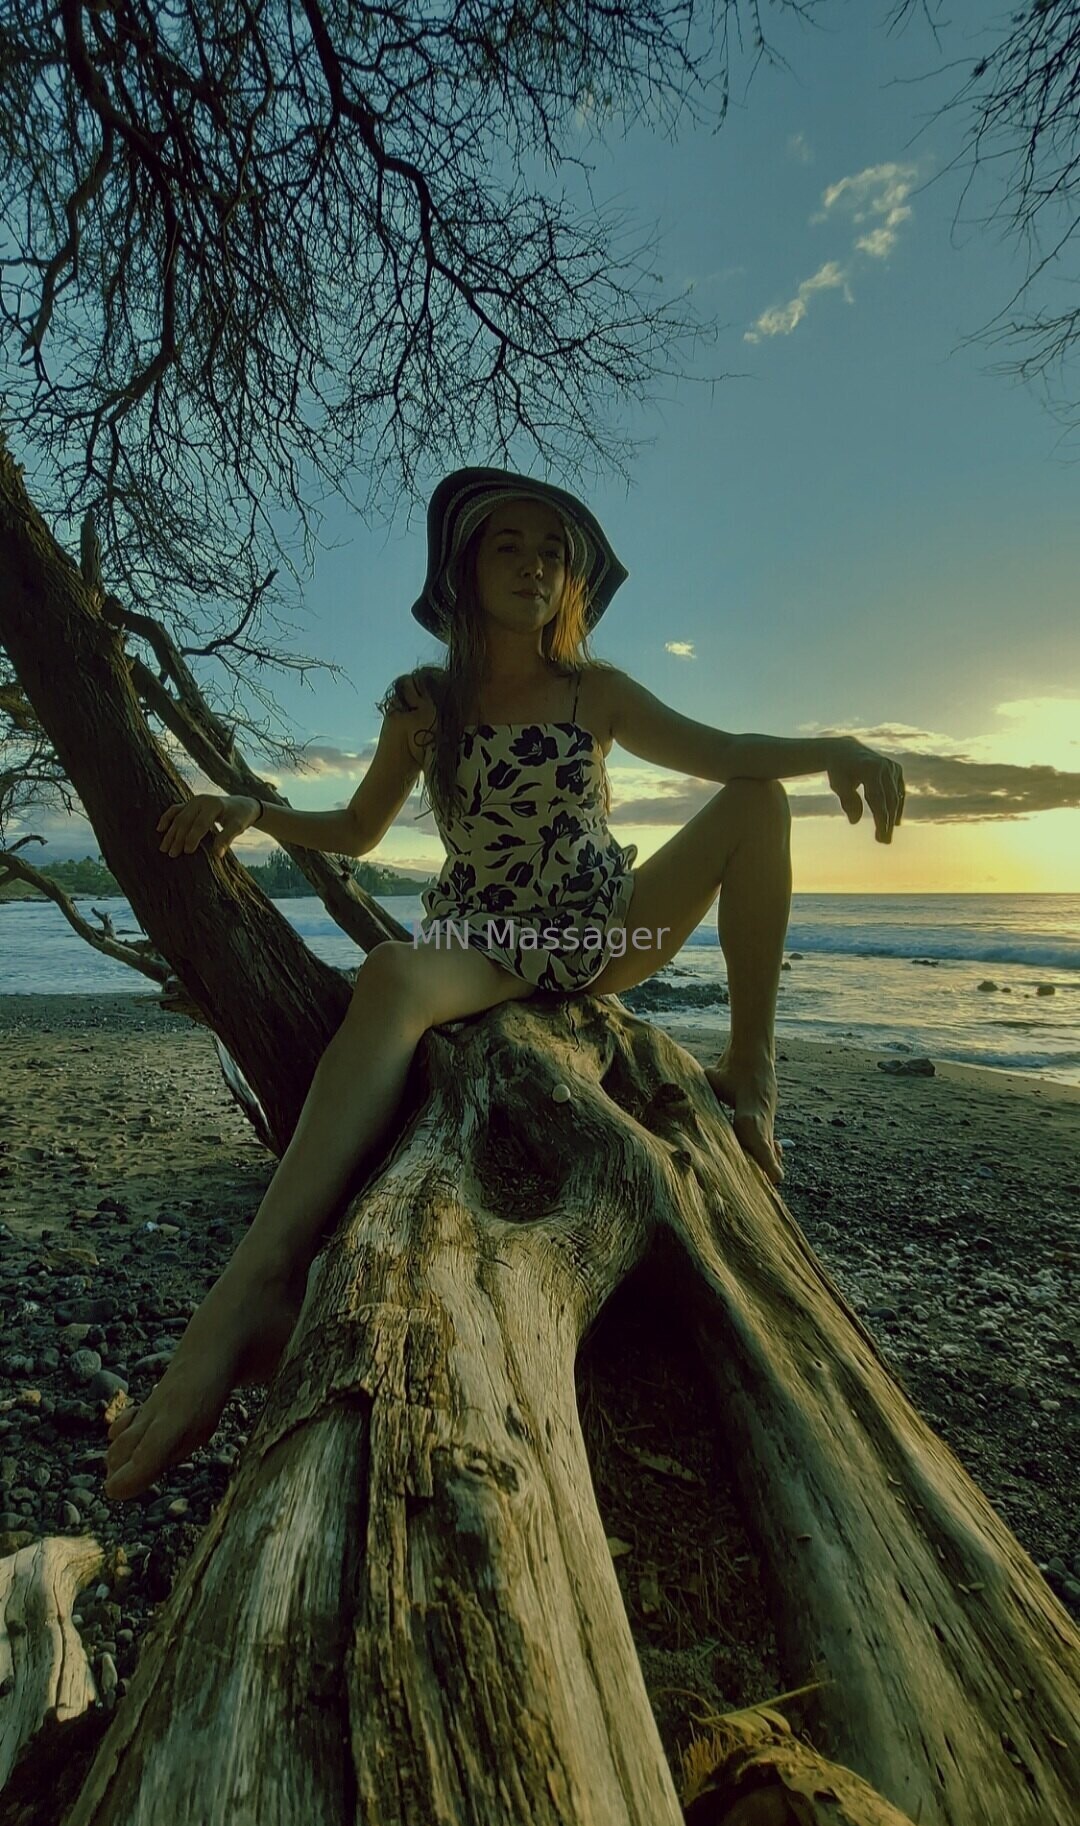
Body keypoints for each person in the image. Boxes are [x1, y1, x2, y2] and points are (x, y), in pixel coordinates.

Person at [104, 466, 904, 1501]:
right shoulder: (423, 704)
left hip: (606, 925)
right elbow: (357, 827)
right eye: (508, 546)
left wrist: (840, 745)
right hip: (483, 937)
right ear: (463, 570)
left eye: (553, 552)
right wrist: (252, 811)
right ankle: (258, 1282)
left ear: (571, 582)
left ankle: (752, 1074)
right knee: (392, 972)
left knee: (758, 802)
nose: (534, 565)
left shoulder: (595, 691)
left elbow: (729, 752)